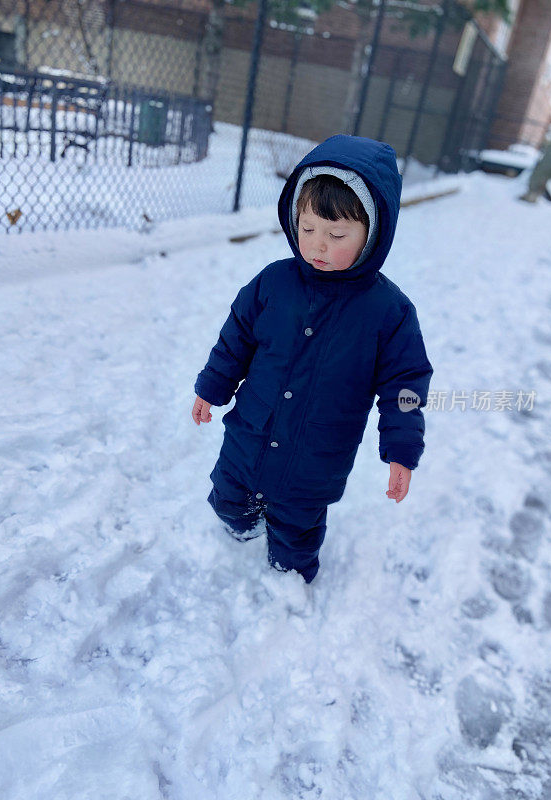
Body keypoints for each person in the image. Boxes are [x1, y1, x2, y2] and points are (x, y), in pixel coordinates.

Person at [192, 134, 433, 584]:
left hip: (316, 456)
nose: (319, 245)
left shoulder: (388, 312)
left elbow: (405, 384)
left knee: (296, 530)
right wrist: (211, 388)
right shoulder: (273, 283)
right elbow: (236, 338)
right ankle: (235, 536)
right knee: (228, 497)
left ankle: (290, 581)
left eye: (337, 235)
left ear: (372, 233)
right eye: (308, 229)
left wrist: (401, 449)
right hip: (250, 434)